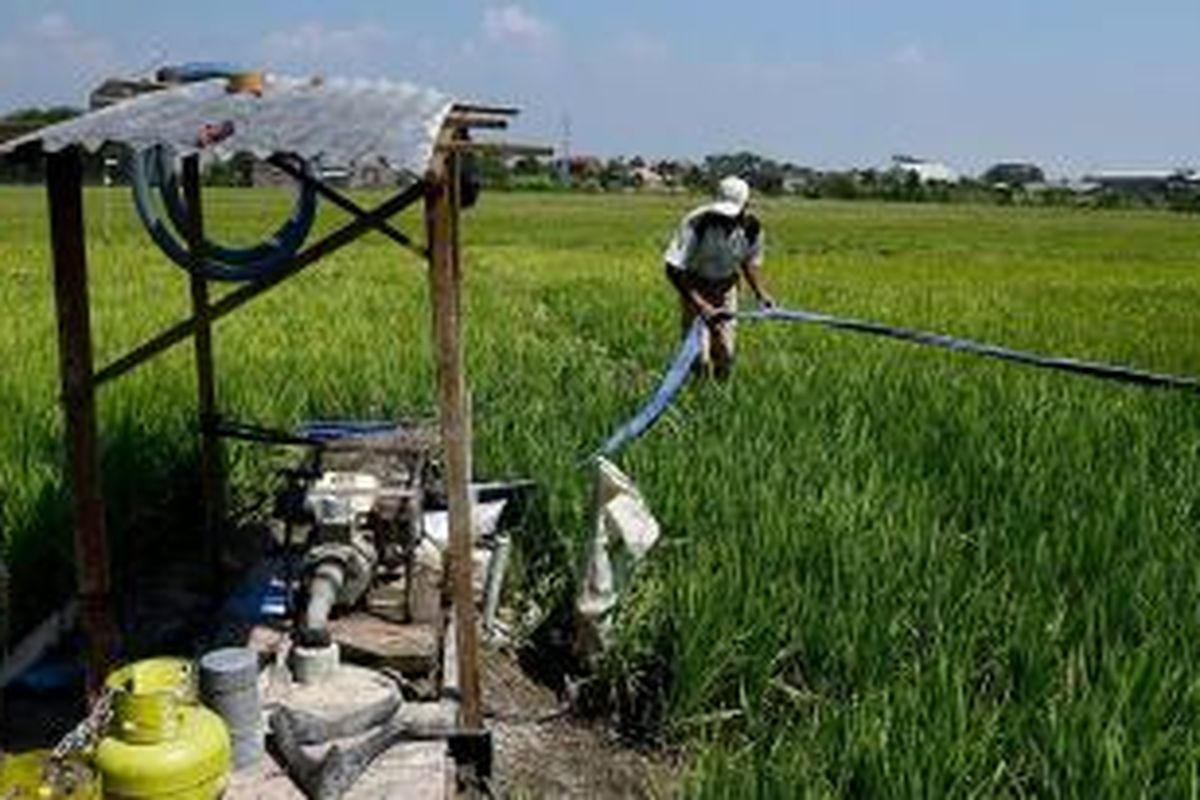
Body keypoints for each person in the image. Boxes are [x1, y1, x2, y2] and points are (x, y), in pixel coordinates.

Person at [663, 175, 775, 379]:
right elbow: (672, 268)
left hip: (726, 288)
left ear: (746, 205)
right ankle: (700, 390)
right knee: (699, 354)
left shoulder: (752, 228)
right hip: (695, 287)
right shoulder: (697, 222)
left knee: (725, 351)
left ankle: (721, 394)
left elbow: (749, 262)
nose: (727, 217)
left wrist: (761, 294)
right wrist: (701, 305)